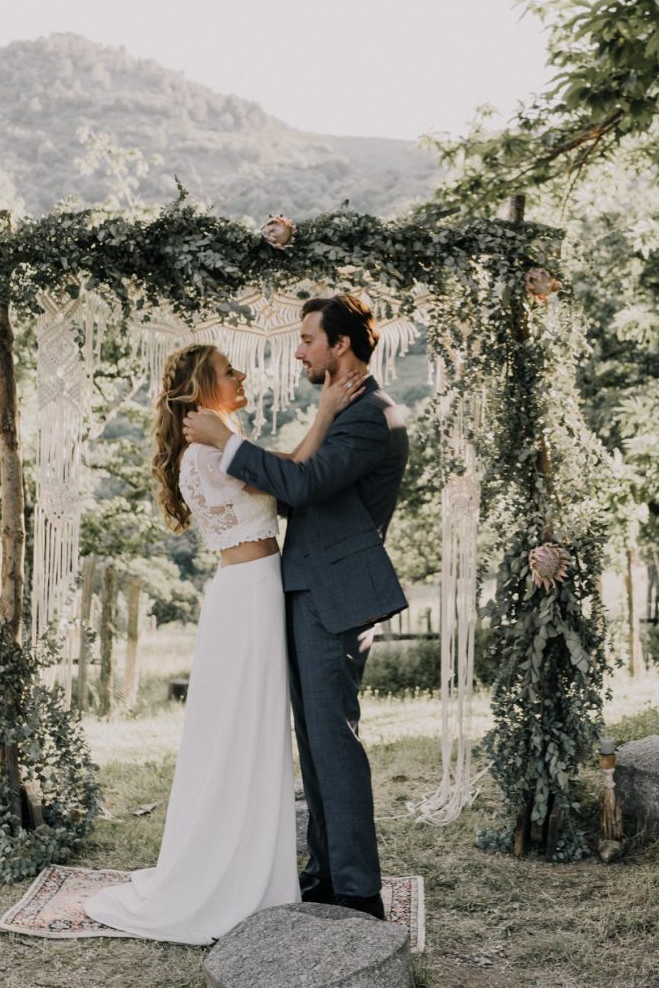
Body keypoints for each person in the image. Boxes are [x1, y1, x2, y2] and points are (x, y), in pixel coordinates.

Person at [84, 342, 364, 945]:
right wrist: (324, 414)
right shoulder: (207, 454)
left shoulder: (221, 445)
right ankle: (234, 876)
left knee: (257, 730)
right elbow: (290, 477)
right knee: (243, 731)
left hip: (258, 591)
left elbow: (283, 473)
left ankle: (258, 868)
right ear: (201, 390)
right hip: (247, 596)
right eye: (227, 371)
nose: (240, 376)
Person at [184, 294, 408, 921]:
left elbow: (304, 485)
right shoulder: (344, 408)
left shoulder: (370, 416)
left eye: (308, 338)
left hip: (332, 596)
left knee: (333, 742)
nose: (299, 350)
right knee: (314, 741)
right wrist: (255, 468)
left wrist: (228, 445)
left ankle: (359, 893)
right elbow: (298, 481)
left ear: (339, 345)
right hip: (308, 588)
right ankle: (328, 872)